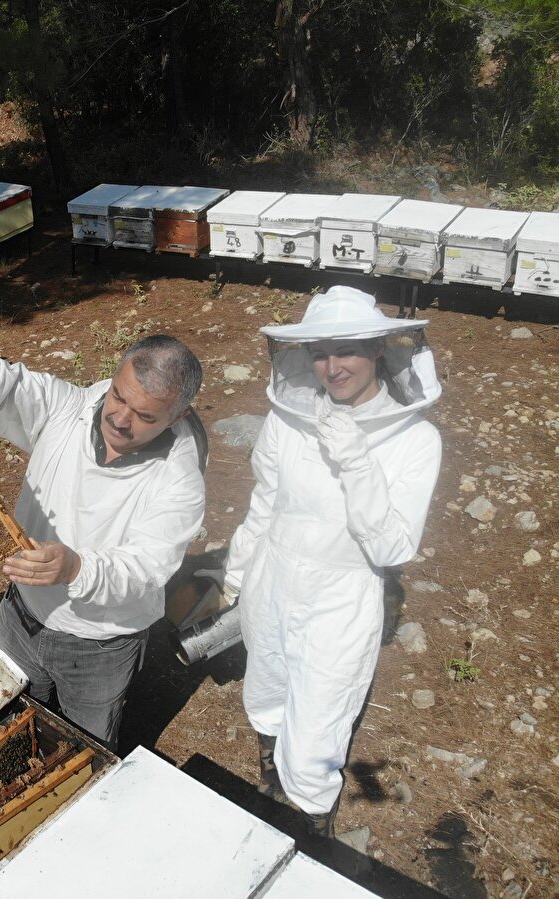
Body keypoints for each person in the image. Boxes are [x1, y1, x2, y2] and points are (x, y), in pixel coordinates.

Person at [0, 329, 207, 751]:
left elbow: (146, 568)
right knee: (10, 714)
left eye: (145, 416)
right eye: (118, 396)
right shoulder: (70, 408)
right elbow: (5, 387)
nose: (120, 419)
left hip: (99, 644)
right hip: (19, 614)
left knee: (84, 744)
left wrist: (77, 568)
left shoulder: (179, 484)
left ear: (177, 417)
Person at [221, 285, 442, 839]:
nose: (332, 366)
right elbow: (265, 505)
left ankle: (311, 814)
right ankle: (272, 767)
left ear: (378, 351)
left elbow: (391, 548)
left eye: (347, 351)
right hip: (273, 575)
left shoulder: (416, 440)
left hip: (343, 594)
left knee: (321, 714)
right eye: (320, 352)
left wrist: (355, 461)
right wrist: (237, 573)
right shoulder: (288, 419)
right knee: (267, 684)